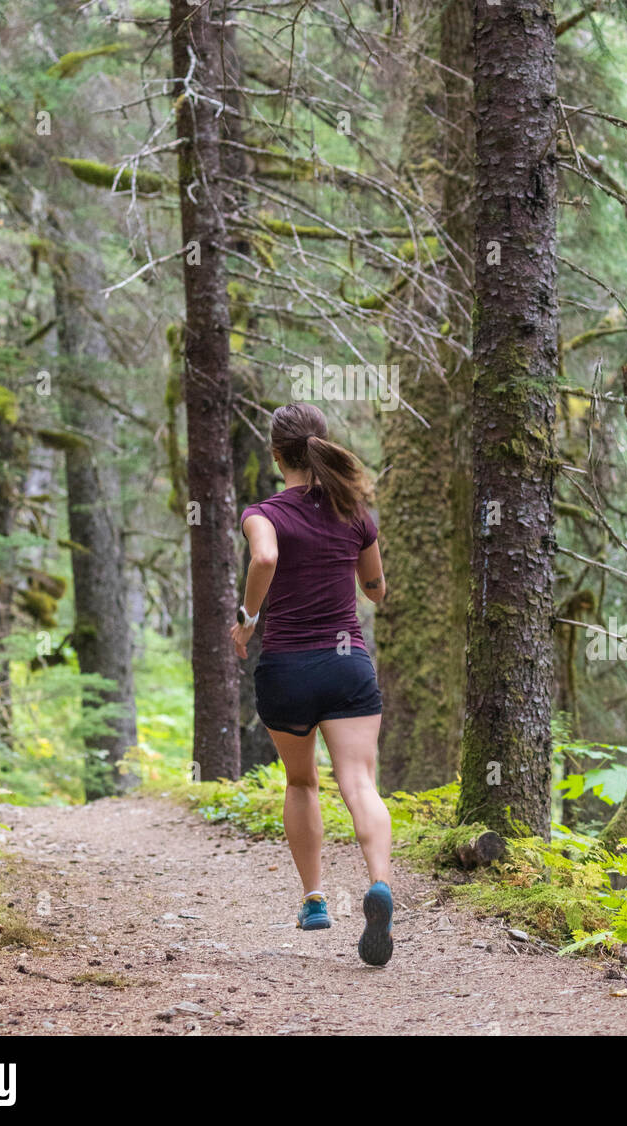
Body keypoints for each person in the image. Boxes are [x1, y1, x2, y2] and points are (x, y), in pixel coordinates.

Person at [231, 402, 393, 967]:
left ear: (278, 456)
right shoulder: (355, 510)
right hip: (347, 664)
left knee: (302, 784)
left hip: (287, 668)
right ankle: (379, 886)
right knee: (361, 784)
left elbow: (265, 557)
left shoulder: (263, 513)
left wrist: (248, 617)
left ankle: (315, 900)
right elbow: (375, 589)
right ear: (322, 446)